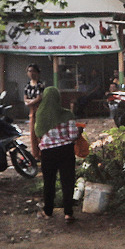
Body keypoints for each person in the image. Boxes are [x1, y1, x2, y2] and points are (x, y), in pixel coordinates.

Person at [32, 86, 81, 223]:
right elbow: (72, 136)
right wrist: (78, 132)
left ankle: (48, 212)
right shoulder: (67, 114)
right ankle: (68, 214)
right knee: (68, 182)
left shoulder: (40, 115)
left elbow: (38, 134)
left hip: (48, 153)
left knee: (49, 183)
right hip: (66, 151)